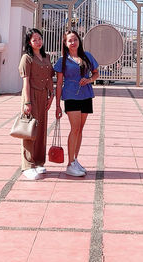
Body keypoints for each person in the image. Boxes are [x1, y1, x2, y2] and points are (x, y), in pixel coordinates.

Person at [54, 29, 99, 177]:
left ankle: (75, 160)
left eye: (75, 39)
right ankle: (69, 164)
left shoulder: (87, 56)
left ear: (79, 41)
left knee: (80, 129)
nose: (73, 43)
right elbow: (59, 83)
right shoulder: (62, 61)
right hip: (71, 96)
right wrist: (57, 105)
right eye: (69, 40)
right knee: (74, 129)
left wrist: (90, 80)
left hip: (86, 94)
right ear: (65, 44)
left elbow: (96, 72)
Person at [18, 28, 54, 180]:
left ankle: (39, 161)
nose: (38, 42)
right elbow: (26, 81)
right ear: (29, 42)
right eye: (34, 40)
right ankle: (27, 165)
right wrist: (27, 102)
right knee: (29, 130)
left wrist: (51, 95)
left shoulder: (46, 57)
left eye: (39, 39)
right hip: (31, 95)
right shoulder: (27, 58)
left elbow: (49, 78)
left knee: (41, 129)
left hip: (43, 96)